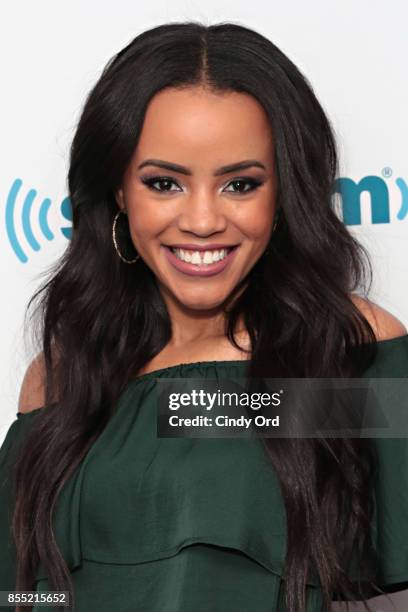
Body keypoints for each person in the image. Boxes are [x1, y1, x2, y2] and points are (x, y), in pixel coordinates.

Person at [1, 20, 408, 612]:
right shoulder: (60, 376)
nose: (201, 220)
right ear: (119, 191)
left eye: (240, 184)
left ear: (284, 192)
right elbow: (21, 594)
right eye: (163, 182)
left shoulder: (347, 349)